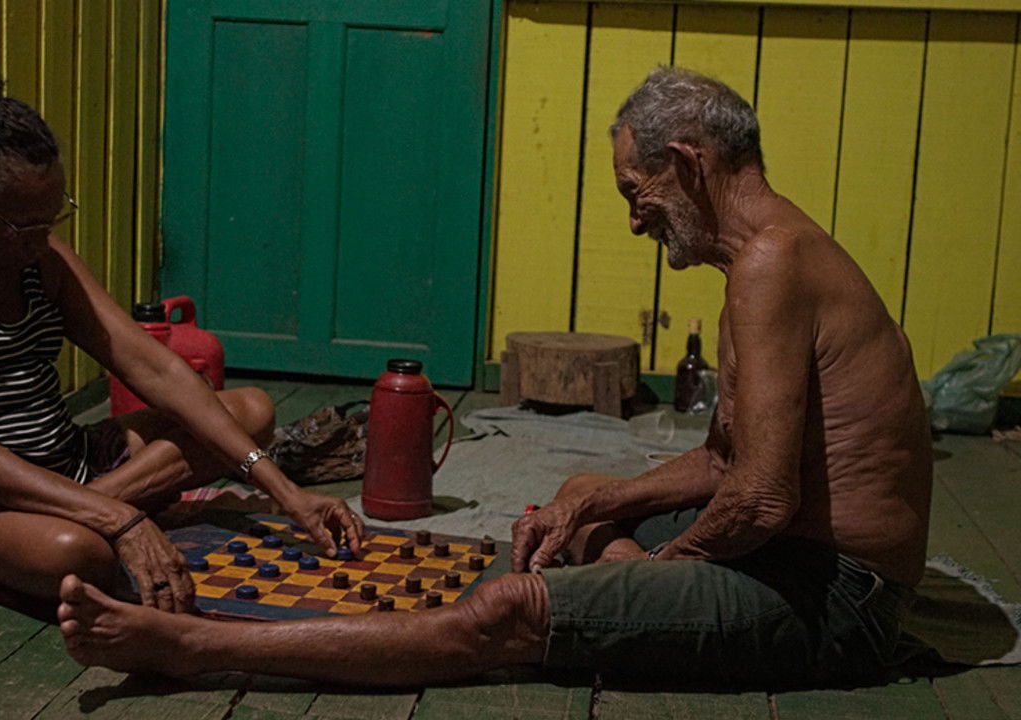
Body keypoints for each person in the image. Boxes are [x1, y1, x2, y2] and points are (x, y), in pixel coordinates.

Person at [54, 66, 932, 687]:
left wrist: (663, 566)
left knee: (505, 610)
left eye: (638, 192)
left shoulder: (772, 264)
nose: (636, 224)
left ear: (690, 163)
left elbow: (762, 503)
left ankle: (188, 647)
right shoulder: (766, 257)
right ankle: (616, 585)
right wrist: (599, 504)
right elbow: (724, 461)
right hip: (795, 556)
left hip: (837, 599)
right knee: (584, 498)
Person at [0, 76, 364, 611]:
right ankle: (84, 516)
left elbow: (154, 369)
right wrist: (119, 519)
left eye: (52, 218)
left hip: (63, 465)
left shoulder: (37, 253)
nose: (41, 242)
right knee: (78, 555)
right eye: (21, 228)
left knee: (248, 411)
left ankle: (80, 508)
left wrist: (284, 491)